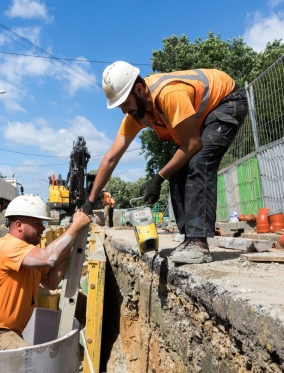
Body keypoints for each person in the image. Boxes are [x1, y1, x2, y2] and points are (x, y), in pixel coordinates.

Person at [81, 61, 248, 264]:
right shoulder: (137, 114)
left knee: (200, 161)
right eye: (120, 106)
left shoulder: (168, 94)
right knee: (177, 170)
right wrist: (90, 202)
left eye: (125, 103)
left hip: (227, 101)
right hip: (204, 117)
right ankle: (190, 239)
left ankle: (198, 244)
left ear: (140, 89)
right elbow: (111, 158)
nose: (124, 110)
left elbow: (193, 144)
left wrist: (158, 178)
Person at [0, 194, 91, 351]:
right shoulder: (8, 246)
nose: (43, 228)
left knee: (22, 369)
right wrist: (76, 226)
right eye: (37, 223)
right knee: (32, 362)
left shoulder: (28, 254)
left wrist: (66, 252)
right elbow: (49, 257)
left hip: (8, 332)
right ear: (19, 225)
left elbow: (50, 282)